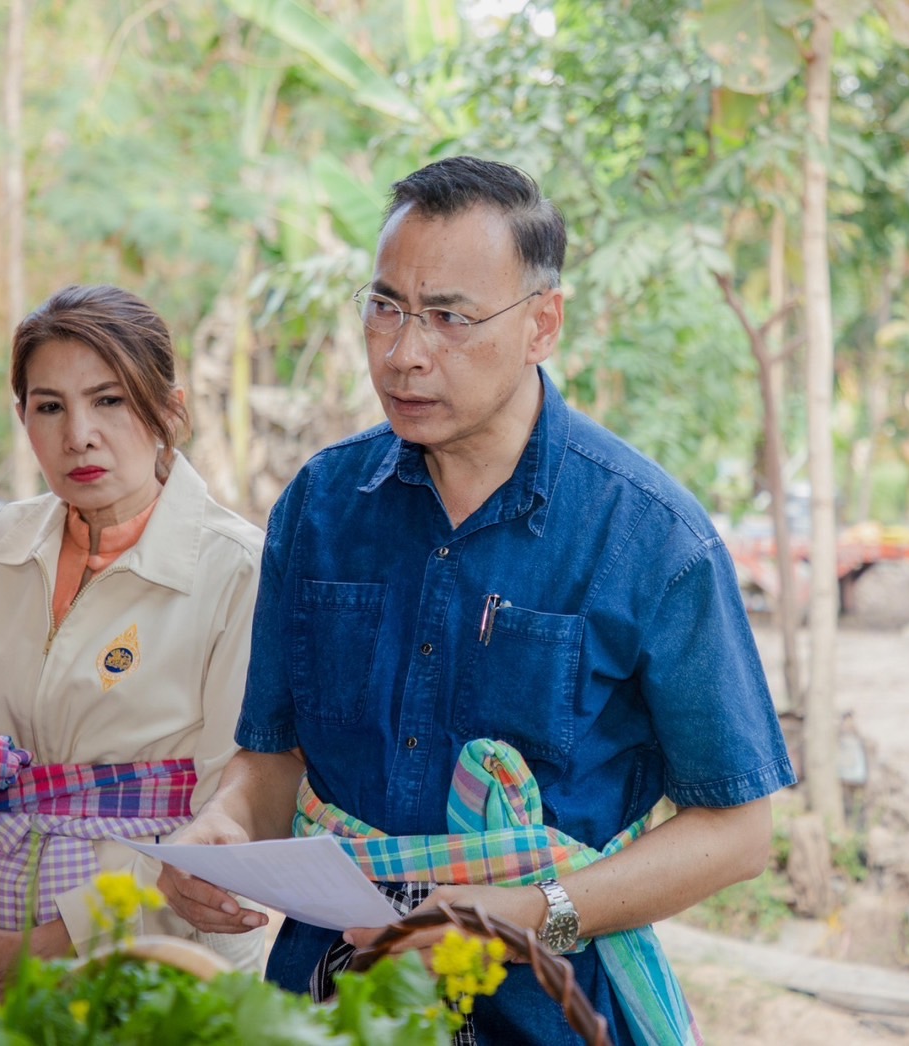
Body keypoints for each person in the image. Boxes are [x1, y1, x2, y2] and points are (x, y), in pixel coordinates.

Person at [157, 156, 796, 1044]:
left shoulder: (650, 539)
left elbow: (736, 830)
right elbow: (271, 764)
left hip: (551, 1008)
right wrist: (222, 830)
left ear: (544, 324)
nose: (405, 351)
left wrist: (529, 914)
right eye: (386, 307)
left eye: (450, 317)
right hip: (330, 1001)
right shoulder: (320, 508)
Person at [0, 285, 265, 1000]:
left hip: (165, 952)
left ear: (170, 410)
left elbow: (230, 805)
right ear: (23, 418)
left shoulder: (238, 569)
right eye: (50, 406)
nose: (79, 435)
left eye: (110, 400)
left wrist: (50, 945)